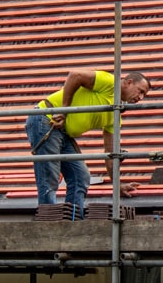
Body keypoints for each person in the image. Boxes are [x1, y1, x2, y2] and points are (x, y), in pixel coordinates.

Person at [26, 68, 151, 216]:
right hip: (47, 119)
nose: (140, 98)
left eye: (144, 95)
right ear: (128, 82)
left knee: (80, 176)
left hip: (63, 132)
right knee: (49, 174)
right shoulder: (111, 83)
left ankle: (72, 219)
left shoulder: (115, 115)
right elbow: (75, 75)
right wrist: (64, 110)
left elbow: (110, 155)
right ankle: (48, 220)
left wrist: (117, 185)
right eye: (140, 91)